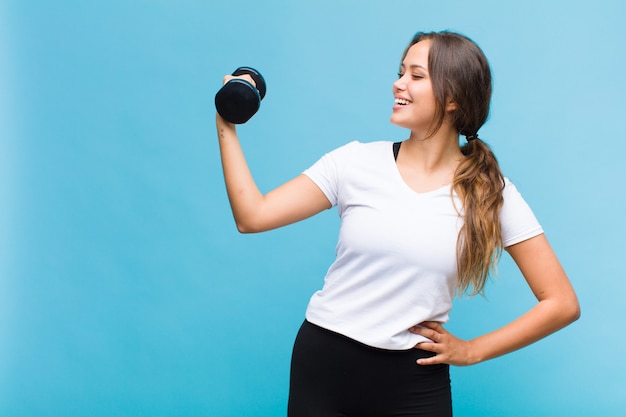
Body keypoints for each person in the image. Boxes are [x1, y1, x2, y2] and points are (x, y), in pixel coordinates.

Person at [216, 30, 580, 417]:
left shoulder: (491, 192)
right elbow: (252, 217)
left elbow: (561, 303)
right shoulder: (354, 163)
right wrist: (226, 120)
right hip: (323, 364)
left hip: (414, 380)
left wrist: (472, 351)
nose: (398, 83)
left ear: (454, 98)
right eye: (400, 72)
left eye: (416, 76)